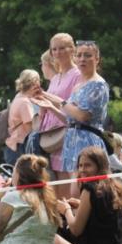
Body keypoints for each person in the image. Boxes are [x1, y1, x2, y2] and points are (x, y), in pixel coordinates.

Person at [55, 146, 122, 244]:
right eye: (80, 166)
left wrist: (66, 210)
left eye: (87, 165)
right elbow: (103, 212)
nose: (82, 170)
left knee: (52, 238)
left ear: (100, 166)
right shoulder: (116, 188)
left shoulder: (90, 189)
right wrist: (81, 205)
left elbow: (75, 230)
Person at [61, 41, 110, 197]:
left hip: (87, 140)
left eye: (87, 55)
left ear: (97, 59)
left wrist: (60, 102)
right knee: (73, 189)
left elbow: (82, 115)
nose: (82, 59)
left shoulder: (98, 84)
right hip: (71, 139)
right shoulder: (78, 86)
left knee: (86, 188)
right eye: (79, 55)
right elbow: (69, 116)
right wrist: (48, 102)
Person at [41, 34, 82, 181]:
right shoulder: (56, 78)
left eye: (62, 48)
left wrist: (50, 105)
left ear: (72, 49)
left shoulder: (77, 75)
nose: (58, 53)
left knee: (69, 182)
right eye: (54, 49)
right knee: (57, 184)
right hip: (52, 137)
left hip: (68, 135)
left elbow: (75, 109)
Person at [4, 69, 42, 166]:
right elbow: (31, 128)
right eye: (38, 80)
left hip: (13, 145)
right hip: (21, 146)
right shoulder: (25, 102)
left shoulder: (19, 96)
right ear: (34, 82)